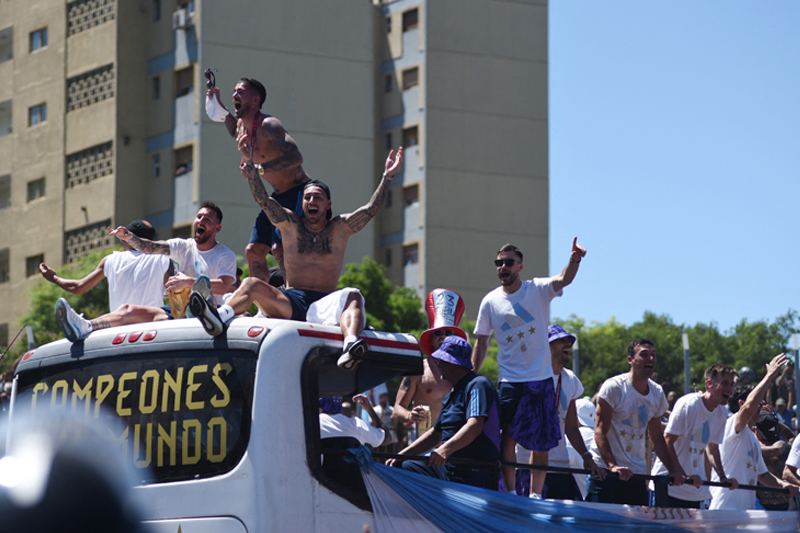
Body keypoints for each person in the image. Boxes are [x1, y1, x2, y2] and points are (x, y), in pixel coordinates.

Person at [190, 149, 402, 371]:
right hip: (290, 302)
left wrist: (387, 176)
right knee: (251, 284)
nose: (312, 201)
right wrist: (252, 174)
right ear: (302, 204)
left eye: (317, 197)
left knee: (354, 295)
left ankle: (350, 346)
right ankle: (217, 318)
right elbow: (264, 201)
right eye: (308, 197)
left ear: (328, 204)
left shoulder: (339, 228)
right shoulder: (290, 224)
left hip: (323, 304)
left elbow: (371, 210)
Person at [471, 239, 586, 497]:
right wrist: (470, 375)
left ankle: (536, 495)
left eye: (508, 262)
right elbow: (481, 343)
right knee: (507, 437)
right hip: (510, 380)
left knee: (540, 440)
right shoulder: (489, 301)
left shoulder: (536, 289)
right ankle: (511, 492)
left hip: (540, 377)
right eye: (499, 263)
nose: (503, 267)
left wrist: (575, 259)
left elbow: (563, 279)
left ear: (519, 267)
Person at [54, 204, 236, 343]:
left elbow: (223, 286)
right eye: (199, 217)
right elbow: (150, 247)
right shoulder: (183, 246)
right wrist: (129, 237)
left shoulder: (225, 255)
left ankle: (194, 304)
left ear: (217, 229)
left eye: (208, 219)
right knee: (127, 309)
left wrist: (188, 282)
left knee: (202, 293)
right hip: (178, 312)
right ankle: (85, 326)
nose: (201, 221)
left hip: (210, 314)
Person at [207, 77, 311, 282]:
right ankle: (265, 305)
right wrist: (215, 99)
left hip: (300, 192)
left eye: (241, 92)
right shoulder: (241, 129)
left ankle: (293, 299)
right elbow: (228, 122)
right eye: (234, 91)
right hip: (276, 196)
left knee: (279, 248)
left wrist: (259, 169)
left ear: (255, 100)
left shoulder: (269, 125)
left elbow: (296, 157)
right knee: (253, 250)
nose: (235, 94)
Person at [387, 337, 501, 490]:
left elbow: (474, 426)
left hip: (473, 471)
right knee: (403, 466)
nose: (438, 365)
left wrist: (444, 450)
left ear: (451, 363)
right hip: (448, 469)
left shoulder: (478, 385)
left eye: (440, 361)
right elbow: (435, 434)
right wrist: (401, 455)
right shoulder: (451, 394)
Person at [587, 338, 682, 505]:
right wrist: (612, 466)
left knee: (637, 528)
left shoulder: (657, 392)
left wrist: (672, 470)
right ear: (630, 360)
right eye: (644, 355)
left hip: (636, 474)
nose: (651, 359)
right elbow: (599, 431)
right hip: (606, 473)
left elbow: (657, 438)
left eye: (653, 355)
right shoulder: (614, 387)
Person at [515, 325, 604, 500]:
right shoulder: (529, 376)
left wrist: (586, 456)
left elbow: (571, 427)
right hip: (529, 466)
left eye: (569, 341)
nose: (568, 344)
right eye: (561, 341)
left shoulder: (570, 379)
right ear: (545, 345)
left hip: (560, 466)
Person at [709, 353, 800, 510]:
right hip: (724, 509)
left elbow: (762, 475)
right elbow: (750, 406)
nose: (763, 404)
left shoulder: (752, 437)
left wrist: (783, 484)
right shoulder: (732, 425)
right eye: (759, 401)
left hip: (745, 512)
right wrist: (770, 375)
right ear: (742, 404)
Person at [649, 364, 737, 509]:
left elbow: (713, 448)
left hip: (695, 490)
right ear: (709, 384)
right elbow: (667, 442)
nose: (730, 389)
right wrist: (682, 475)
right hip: (669, 487)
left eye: (732, 385)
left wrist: (723, 477)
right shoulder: (688, 404)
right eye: (725, 383)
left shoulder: (721, 413)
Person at [39, 219, 171, 311]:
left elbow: (77, 288)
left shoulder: (111, 261)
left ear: (126, 238)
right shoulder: (163, 260)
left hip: (120, 331)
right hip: (153, 329)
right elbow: (176, 294)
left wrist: (53, 278)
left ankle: (85, 325)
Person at [393, 288, 467, 441]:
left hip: (454, 447)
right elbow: (396, 410)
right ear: (431, 339)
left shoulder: (464, 371)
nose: (443, 336)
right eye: (438, 333)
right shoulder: (418, 369)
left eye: (448, 332)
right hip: (423, 446)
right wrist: (410, 415)